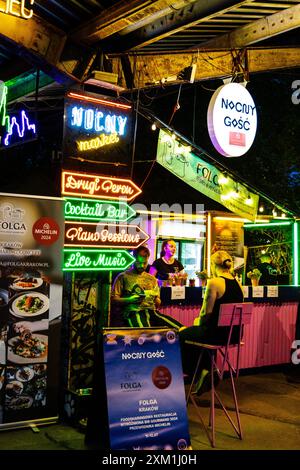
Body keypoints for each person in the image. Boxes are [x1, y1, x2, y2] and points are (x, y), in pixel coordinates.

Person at [179, 250, 244, 394]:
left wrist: (198, 323)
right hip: (234, 335)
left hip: (216, 335)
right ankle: (208, 370)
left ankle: (198, 373)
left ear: (214, 266)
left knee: (182, 334)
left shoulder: (214, 282)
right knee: (198, 334)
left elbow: (205, 313)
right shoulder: (238, 284)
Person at [111, 245, 182, 329]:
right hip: (133, 312)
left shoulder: (152, 279)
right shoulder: (123, 276)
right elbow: (113, 299)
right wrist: (129, 300)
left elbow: (158, 300)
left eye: (144, 263)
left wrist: (156, 300)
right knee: (145, 334)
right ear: (133, 260)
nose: (141, 266)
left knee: (178, 329)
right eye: (138, 263)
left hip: (152, 312)